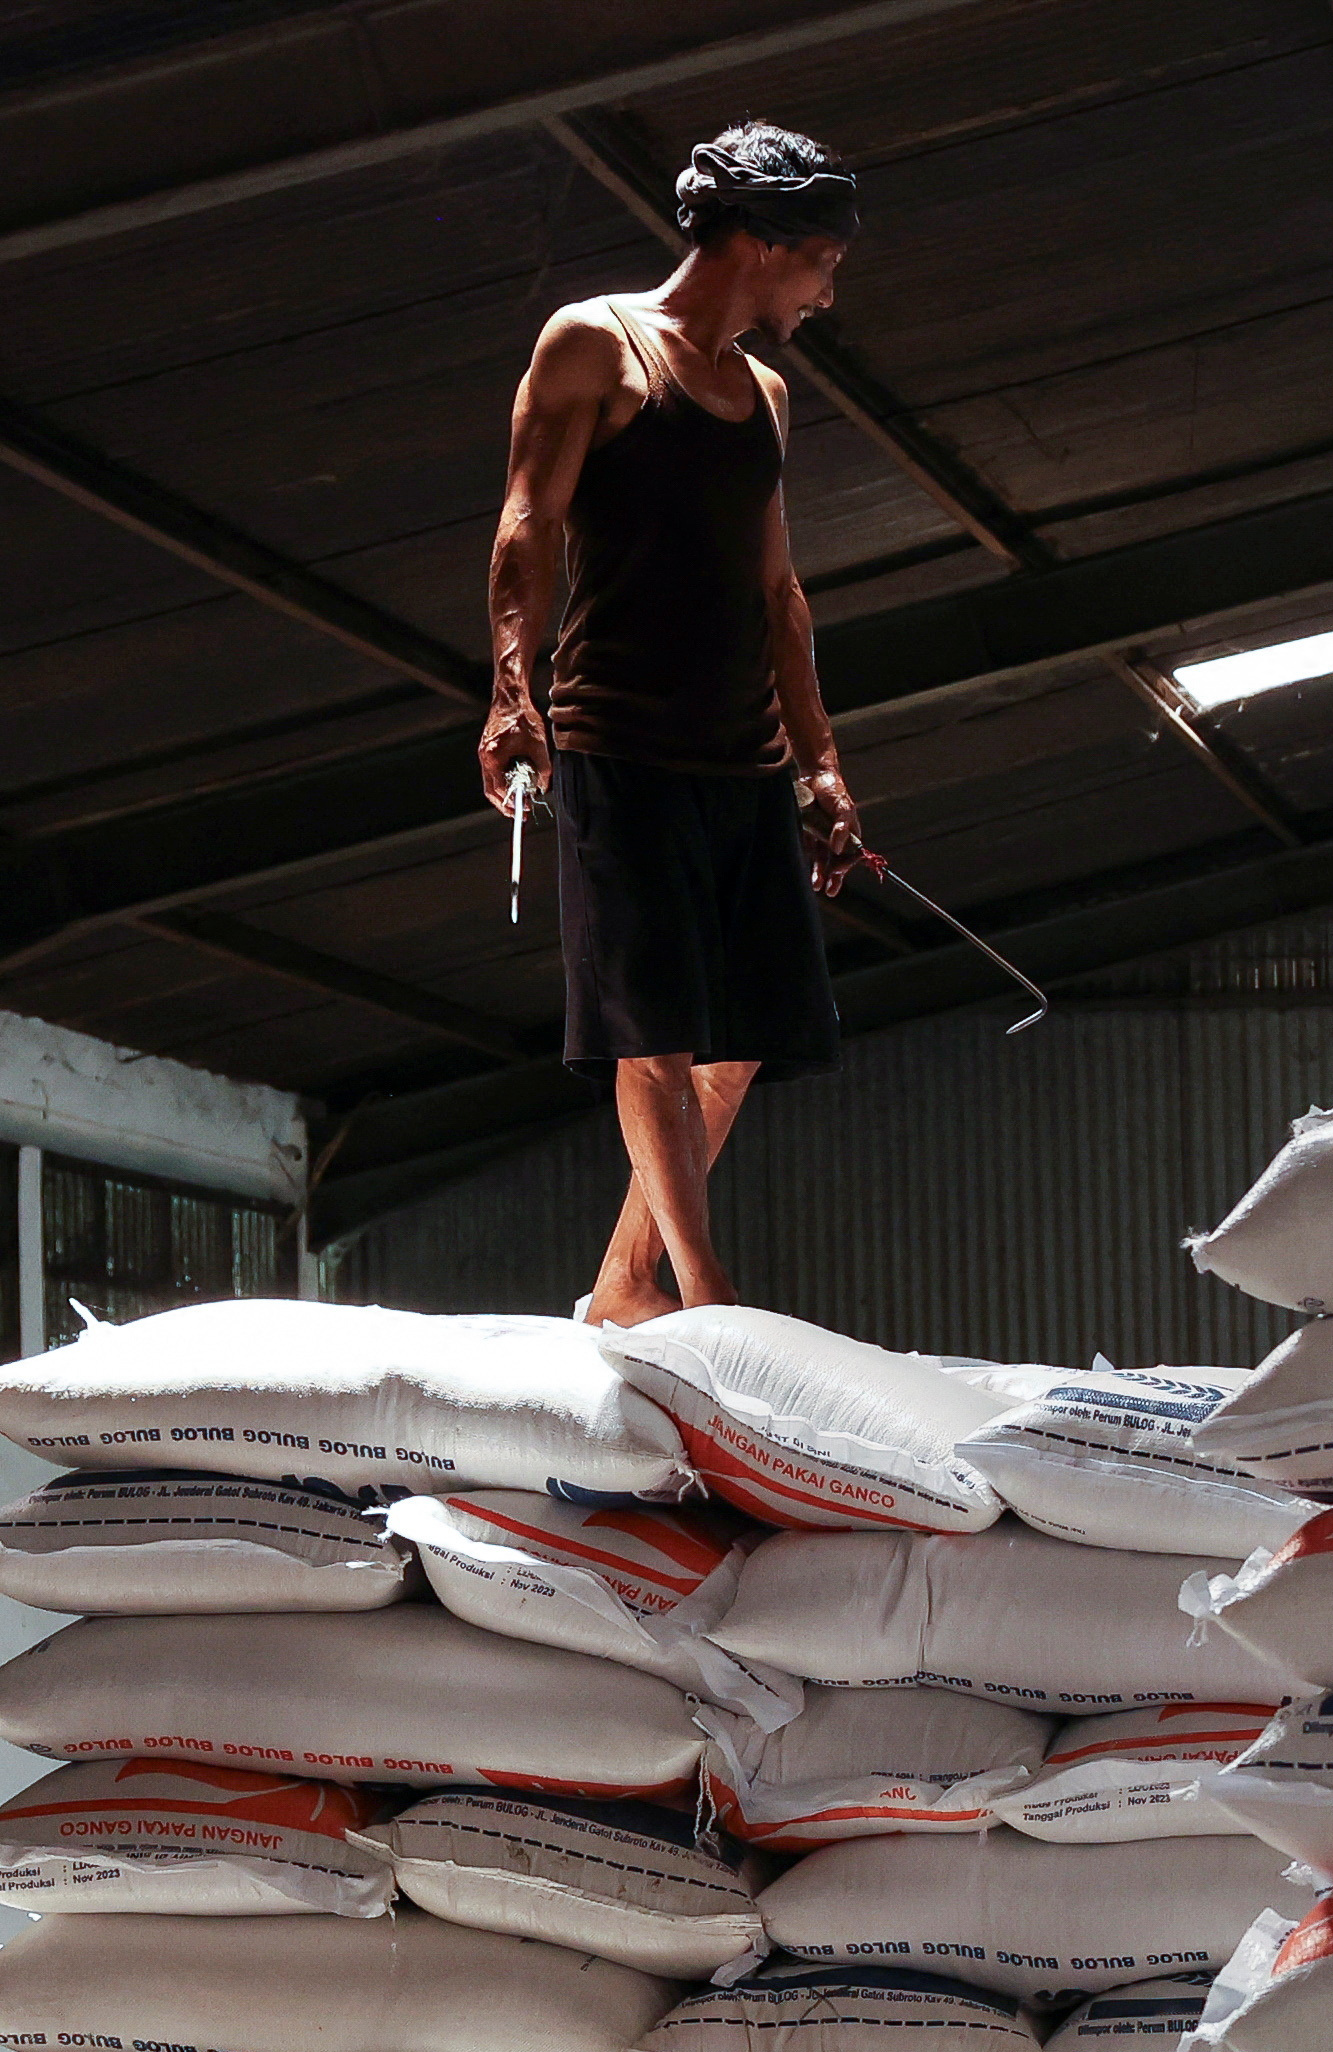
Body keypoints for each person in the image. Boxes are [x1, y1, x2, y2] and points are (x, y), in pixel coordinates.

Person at [478, 122, 869, 1327]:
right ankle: (705, 1300)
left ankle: (623, 1281)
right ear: (760, 245)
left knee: (740, 1036)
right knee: (650, 1029)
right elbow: (527, 525)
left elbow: (778, 592)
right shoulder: (597, 343)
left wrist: (820, 765)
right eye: (821, 264)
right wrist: (511, 693)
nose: (827, 290)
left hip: (740, 754)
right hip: (617, 742)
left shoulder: (764, 394)